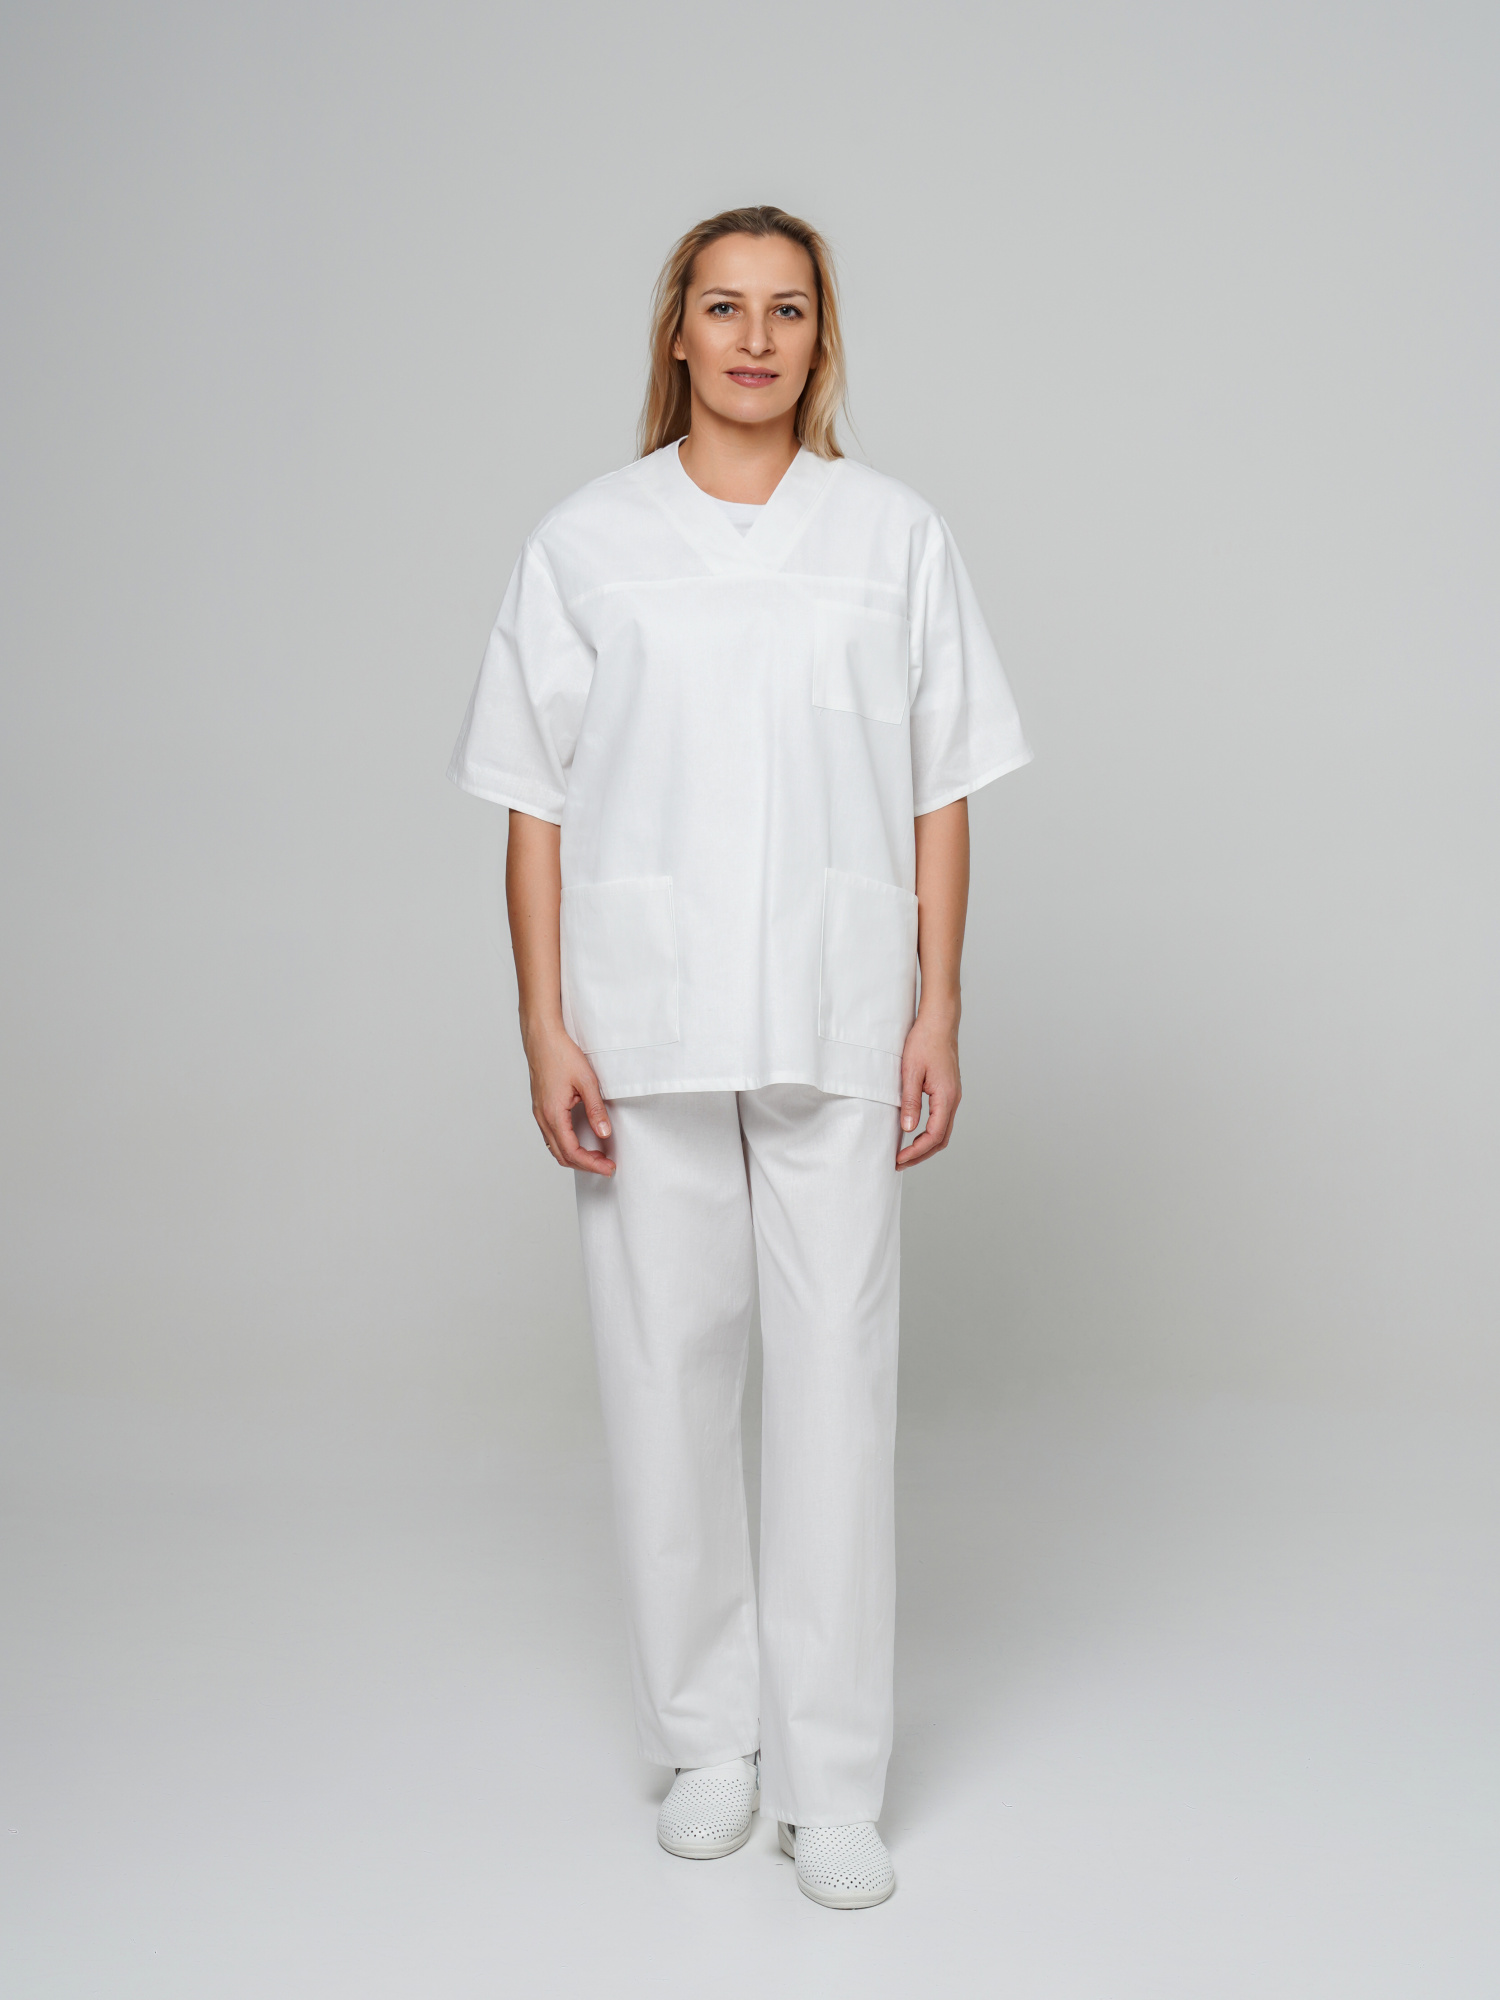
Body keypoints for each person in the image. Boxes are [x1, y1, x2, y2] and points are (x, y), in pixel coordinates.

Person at [450, 205, 1029, 1909]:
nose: (756, 339)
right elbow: (533, 801)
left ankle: (830, 1778)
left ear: (819, 337)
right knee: (666, 1377)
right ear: (679, 334)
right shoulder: (586, 542)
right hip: (644, 1012)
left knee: (838, 1388)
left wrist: (938, 1003)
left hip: (839, 1009)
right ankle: (711, 1739)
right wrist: (543, 1021)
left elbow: (941, 785)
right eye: (725, 307)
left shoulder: (892, 536)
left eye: (787, 309)